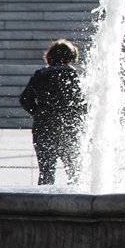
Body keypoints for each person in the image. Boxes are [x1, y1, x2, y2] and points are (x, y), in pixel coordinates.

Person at [19, 40, 87, 185]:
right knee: (73, 170)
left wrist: (39, 112)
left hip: (44, 127)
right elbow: (82, 103)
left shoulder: (41, 74)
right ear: (71, 56)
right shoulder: (73, 76)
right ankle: (75, 202)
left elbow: (25, 99)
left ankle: (42, 203)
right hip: (68, 128)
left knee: (46, 171)